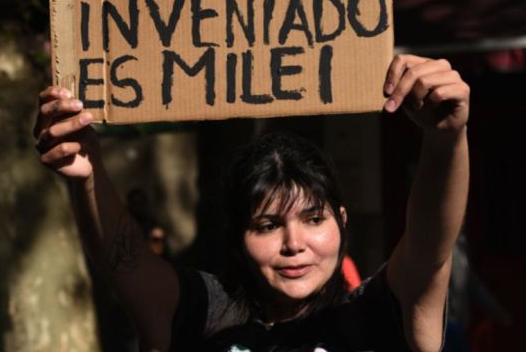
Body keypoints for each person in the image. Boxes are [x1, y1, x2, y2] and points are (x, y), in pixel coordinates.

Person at [34, 54, 470, 352]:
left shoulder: (381, 314)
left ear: (341, 220)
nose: (293, 243)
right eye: (266, 225)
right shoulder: (200, 313)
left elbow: (430, 244)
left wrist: (445, 137)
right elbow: (122, 262)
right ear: (238, 236)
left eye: (313, 218)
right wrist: (87, 171)